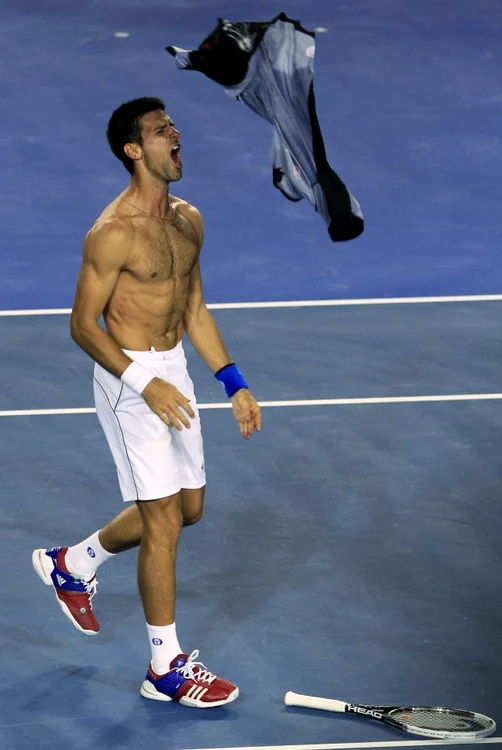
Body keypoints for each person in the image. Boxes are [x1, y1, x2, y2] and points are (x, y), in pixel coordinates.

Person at [32, 97, 261, 708]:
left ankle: (73, 563)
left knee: (189, 509)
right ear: (135, 150)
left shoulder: (189, 221)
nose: (175, 134)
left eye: (173, 126)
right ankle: (166, 668)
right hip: (126, 380)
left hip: (174, 372)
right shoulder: (112, 234)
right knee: (162, 522)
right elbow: (83, 326)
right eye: (162, 130)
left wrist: (232, 381)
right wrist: (142, 381)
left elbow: (193, 310)